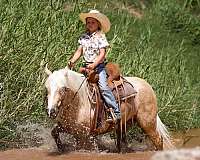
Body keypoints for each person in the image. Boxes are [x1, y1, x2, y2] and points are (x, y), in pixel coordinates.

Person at [68, 9, 121, 122]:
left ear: (98, 24)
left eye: (93, 22)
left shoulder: (100, 36)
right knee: (75, 85)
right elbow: (79, 51)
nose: (90, 24)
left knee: (103, 87)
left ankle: (115, 111)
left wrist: (94, 64)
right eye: (88, 22)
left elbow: (102, 54)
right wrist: (72, 61)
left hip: (98, 67)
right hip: (85, 67)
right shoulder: (84, 37)